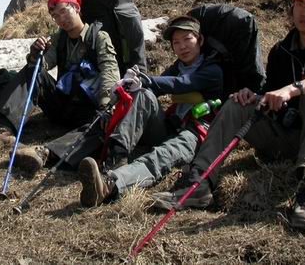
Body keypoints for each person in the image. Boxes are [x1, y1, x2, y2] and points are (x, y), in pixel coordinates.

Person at [153, 0, 305, 233]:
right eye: (300, 4)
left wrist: (291, 89)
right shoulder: (281, 52)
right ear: (292, 9)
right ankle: (199, 183)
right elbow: (271, 96)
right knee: (236, 103)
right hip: (291, 136)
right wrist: (254, 96)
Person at [77, 15, 223, 207]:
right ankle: (118, 155)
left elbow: (182, 83)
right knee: (144, 94)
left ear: (200, 40)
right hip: (171, 126)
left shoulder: (213, 70)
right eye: (176, 42)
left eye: (187, 39)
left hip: (196, 132)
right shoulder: (177, 67)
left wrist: (146, 80)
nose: (182, 46)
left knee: (163, 154)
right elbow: (153, 89)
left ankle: (109, 185)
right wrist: (128, 87)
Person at [0, 0, 121, 164]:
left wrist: (106, 106)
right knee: (32, 69)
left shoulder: (99, 37)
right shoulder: (59, 39)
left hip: (88, 111)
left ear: (76, 8)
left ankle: (47, 153)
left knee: (103, 125)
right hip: (62, 104)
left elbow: (109, 71)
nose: (61, 19)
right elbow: (43, 65)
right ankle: (3, 129)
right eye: (55, 16)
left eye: (63, 11)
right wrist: (35, 55)